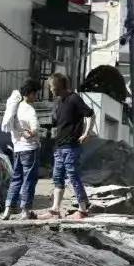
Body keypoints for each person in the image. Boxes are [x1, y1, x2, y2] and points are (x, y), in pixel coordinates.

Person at [43, 72, 95, 220]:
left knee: (73, 176)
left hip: (71, 147)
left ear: (59, 86)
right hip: (59, 147)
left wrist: (86, 133)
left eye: (52, 87)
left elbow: (90, 114)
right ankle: (55, 209)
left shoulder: (74, 98)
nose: (51, 90)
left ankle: (83, 209)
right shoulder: (60, 102)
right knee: (57, 177)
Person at [0, 80, 41, 221]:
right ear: (29, 94)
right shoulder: (29, 109)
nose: (36, 97)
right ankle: (25, 210)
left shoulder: (14, 108)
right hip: (29, 149)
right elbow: (34, 128)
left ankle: (7, 210)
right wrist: (33, 133)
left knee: (16, 179)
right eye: (35, 94)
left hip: (17, 149)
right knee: (29, 179)